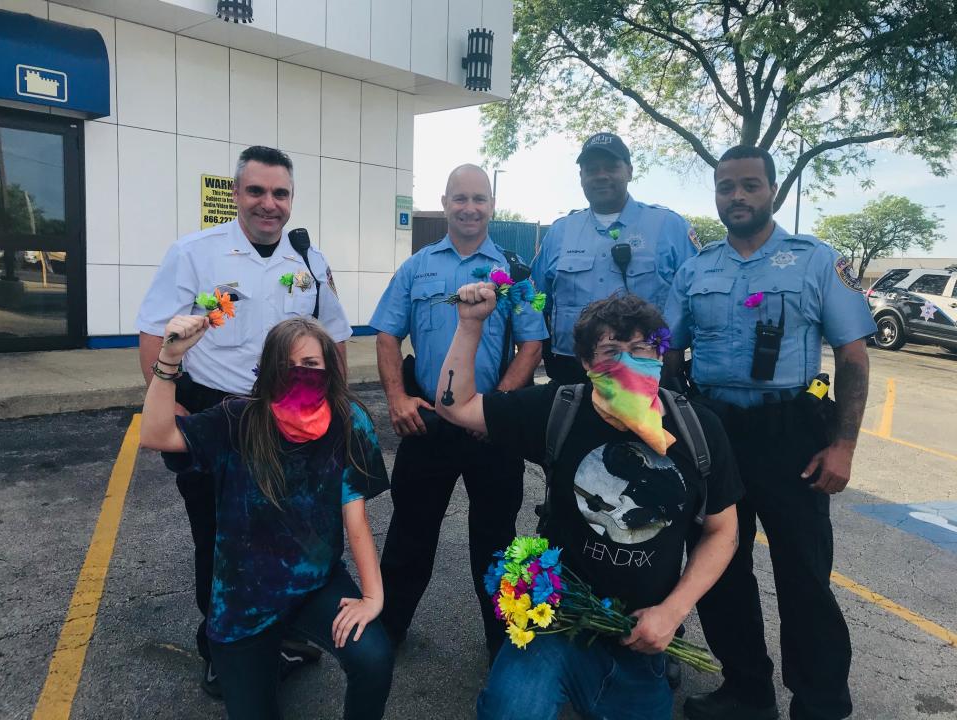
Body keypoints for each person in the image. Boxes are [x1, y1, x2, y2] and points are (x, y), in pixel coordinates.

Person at [433, 289, 741, 720]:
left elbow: (723, 530)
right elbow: (457, 407)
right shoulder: (560, 408)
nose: (628, 361)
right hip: (553, 621)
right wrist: (470, 325)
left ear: (662, 353)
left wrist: (672, 612)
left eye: (641, 349)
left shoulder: (697, 427)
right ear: (585, 363)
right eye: (611, 351)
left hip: (639, 634)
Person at [664, 145, 876, 720]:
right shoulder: (696, 267)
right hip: (714, 433)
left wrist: (844, 444)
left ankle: (820, 701)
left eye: (750, 185)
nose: (737, 196)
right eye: (726, 186)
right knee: (722, 569)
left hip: (791, 435)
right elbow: (667, 349)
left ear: (773, 192)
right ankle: (746, 691)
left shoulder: (815, 260)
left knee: (804, 575)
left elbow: (853, 356)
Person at [135, 145, 352, 694]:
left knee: (279, 535)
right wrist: (177, 411)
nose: (269, 204)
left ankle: (275, 634)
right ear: (236, 194)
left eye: (280, 193)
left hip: (288, 421)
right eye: (256, 190)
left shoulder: (309, 262)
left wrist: (336, 409)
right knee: (216, 536)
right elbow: (154, 333)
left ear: (291, 199)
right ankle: (220, 648)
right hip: (217, 412)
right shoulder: (195, 253)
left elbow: (336, 339)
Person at [139, 315, 393, 720]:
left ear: (329, 367)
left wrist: (372, 597)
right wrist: (169, 358)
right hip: (244, 603)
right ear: (269, 370)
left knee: (375, 658)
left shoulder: (349, 421)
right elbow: (156, 435)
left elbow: (356, 519)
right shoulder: (238, 419)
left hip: (315, 584)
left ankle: (291, 652)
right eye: (288, 365)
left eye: (311, 365)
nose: (300, 374)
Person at [369, 164, 547, 658]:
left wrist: (499, 408)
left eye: (480, 199)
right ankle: (387, 632)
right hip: (427, 422)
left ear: (491, 206)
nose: (470, 208)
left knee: (496, 540)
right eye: (460, 199)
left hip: (490, 429)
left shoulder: (515, 272)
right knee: (410, 534)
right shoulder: (417, 266)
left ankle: (506, 643)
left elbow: (532, 344)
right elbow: (386, 333)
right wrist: (396, 399)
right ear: (445, 203)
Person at [531, 132, 700, 385]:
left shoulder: (669, 226)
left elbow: (696, 302)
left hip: (646, 371)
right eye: (591, 169)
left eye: (611, 167)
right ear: (581, 177)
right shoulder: (559, 232)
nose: (601, 175)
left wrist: (674, 351)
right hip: (572, 374)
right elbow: (536, 302)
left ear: (630, 171)